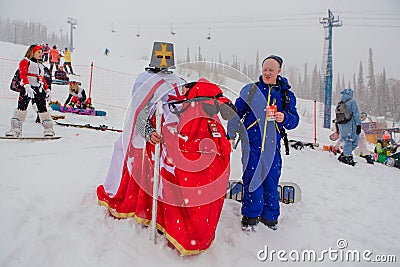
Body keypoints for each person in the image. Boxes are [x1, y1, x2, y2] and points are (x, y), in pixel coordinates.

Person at [97, 42, 231, 255]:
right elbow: (139, 110)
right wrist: (148, 132)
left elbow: (185, 105)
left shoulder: (179, 81)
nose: (163, 59)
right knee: (150, 175)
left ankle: (168, 218)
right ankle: (147, 210)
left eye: (166, 55)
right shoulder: (145, 80)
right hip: (154, 137)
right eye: (160, 55)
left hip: (174, 135)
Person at [226, 55, 299, 231]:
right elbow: (236, 113)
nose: (267, 73)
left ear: (279, 71)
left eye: (271, 70)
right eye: (265, 69)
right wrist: (231, 135)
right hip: (251, 144)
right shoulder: (250, 90)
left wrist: (284, 117)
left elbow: (294, 120)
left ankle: (270, 218)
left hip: (273, 146)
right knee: (252, 180)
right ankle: (250, 217)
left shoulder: (285, 95)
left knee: (271, 181)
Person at [5, 45, 55, 137]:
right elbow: (23, 74)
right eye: (38, 52)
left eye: (41, 52)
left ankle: (48, 129)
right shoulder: (25, 61)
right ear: (32, 52)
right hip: (27, 88)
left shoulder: (40, 65)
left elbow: (42, 78)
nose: (41, 54)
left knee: (42, 109)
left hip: (38, 89)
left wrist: (47, 89)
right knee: (21, 107)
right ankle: (15, 129)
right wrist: (27, 86)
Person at [336, 88, 362, 166]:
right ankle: (347, 158)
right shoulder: (352, 102)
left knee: (347, 141)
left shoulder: (340, 103)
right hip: (350, 125)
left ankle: (344, 155)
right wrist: (358, 125)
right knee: (353, 141)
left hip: (342, 125)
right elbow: (356, 114)